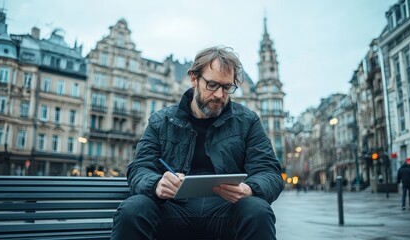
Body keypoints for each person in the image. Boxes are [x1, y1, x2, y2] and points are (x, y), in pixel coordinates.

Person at [111, 46, 284, 240]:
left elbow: (270, 172)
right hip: (172, 209)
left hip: (226, 210)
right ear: (194, 79)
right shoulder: (161, 121)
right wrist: (156, 184)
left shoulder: (248, 121)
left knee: (257, 209)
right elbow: (139, 168)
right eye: (212, 85)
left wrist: (250, 188)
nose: (219, 94)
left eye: (227, 87)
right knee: (133, 209)